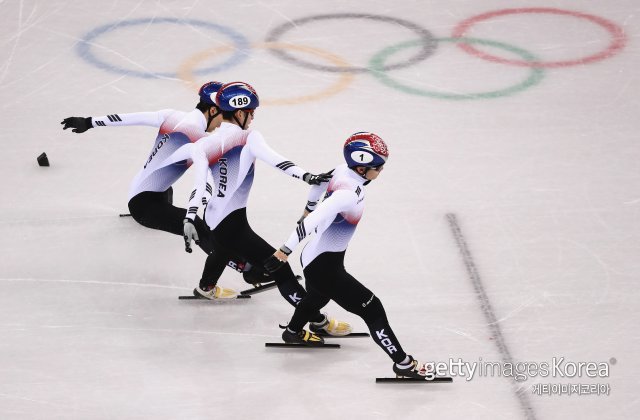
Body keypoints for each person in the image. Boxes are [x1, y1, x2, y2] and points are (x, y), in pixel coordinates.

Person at [182, 81, 352, 336]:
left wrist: (190, 216)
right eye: (252, 112)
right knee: (281, 269)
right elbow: (276, 160)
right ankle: (317, 321)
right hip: (232, 225)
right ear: (240, 112)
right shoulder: (248, 137)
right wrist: (305, 176)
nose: (252, 118)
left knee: (223, 248)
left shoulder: (202, 145)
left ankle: (206, 286)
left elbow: (199, 186)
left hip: (214, 221)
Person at [60, 82, 258, 298]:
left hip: (143, 192)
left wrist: (89, 122)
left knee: (166, 181)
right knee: (201, 228)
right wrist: (210, 205)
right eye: (223, 115)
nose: (223, 124)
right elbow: (207, 180)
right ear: (212, 110)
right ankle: (240, 269)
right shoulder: (199, 140)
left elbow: (128, 118)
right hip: (145, 208)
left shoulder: (170, 115)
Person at [266, 132, 431, 379]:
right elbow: (313, 221)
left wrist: (307, 207)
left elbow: (318, 182)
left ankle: (292, 331)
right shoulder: (347, 194)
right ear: (362, 168)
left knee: (317, 297)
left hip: (316, 257)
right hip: (324, 266)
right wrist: (283, 251)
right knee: (373, 309)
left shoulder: (343, 169)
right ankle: (403, 364)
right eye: (378, 166)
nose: (382, 170)